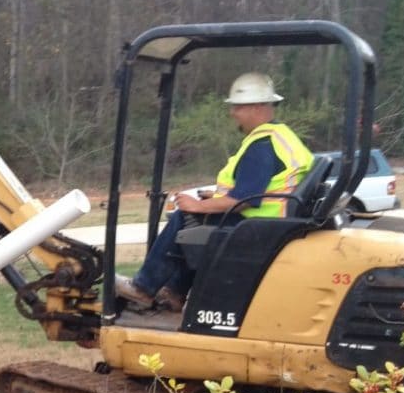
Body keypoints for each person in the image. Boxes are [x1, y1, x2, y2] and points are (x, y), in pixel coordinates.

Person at [116, 72, 314, 311]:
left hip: (260, 226)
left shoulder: (262, 145)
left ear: (259, 107)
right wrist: (216, 200)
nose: (233, 113)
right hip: (275, 222)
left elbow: (244, 201)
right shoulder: (282, 137)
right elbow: (261, 189)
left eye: (238, 107)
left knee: (185, 218)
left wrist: (198, 206)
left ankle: (144, 287)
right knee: (197, 221)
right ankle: (174, 292)